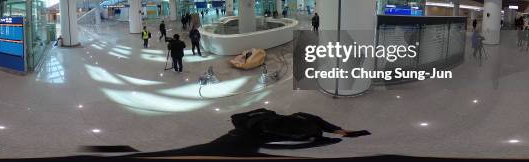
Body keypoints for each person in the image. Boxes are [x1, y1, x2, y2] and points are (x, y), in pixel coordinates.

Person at [124, 108, 370, 158]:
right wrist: (342, 135)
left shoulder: (307, 119)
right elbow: (327, 126)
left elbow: (328, 126)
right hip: (254, 135)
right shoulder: (308, 121)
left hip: (255, 135)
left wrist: (347, 134)